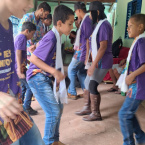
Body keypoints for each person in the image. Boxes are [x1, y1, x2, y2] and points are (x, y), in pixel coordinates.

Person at [27, 5, 74, 145]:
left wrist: (55, 74)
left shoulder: (56, 36)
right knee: (53, 111)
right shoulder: (52, 37)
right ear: (59, 23)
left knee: (58, 107)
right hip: (37, 77)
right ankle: (48, 142)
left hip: (45, 76)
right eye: (70, 24)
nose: (72, 27)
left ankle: (54, 140)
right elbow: (33, 59)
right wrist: (54, 72)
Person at [0, 0, 44, 145]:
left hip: (13, 106)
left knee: (36, 140)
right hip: (3, 112)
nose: (31, 5)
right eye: (28, 0)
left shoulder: (8, 25)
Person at [75, 1, 113, 121]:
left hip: (103, 61)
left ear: (97, 12)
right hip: (97, 61)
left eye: (91, 14)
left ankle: (96, 114)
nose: (89, 16)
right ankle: (87, 107)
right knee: (87, 83)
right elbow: (92, 44)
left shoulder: (104, 25)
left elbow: (103, 47)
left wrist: (93, 65)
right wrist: (89, 61)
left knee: (92, 85)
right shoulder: (98, 25)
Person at [17, 1, 51, 113]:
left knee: (29, 80)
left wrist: (36, 47)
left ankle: (24, 106)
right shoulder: (27, 17)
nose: (46, 16)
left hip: (33, 55)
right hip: (25, 56)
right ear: (41, 10)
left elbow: (39, 40)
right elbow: (21, 37)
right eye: (46, 14)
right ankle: (23, 106)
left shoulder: (40, 24)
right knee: (29, 81)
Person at [118, 14, 145, 145]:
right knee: (128, 113)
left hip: (138, 86)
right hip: (134, 86)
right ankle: (141, 138)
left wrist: (132, 75)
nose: (127, 29)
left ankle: (129, 143)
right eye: (127, 27)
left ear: (140, 27)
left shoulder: (141, 41)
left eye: (130, 26)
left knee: (124, 115)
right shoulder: (138, 40)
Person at [67, 2, 93, 100]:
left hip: (81, 52)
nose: (76, 14)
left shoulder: (86, 21)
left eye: (75, 12)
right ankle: (86, 91)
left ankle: (72, 92)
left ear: (78, 10)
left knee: (71, 69)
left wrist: (85, 56)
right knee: (80, 72)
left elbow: (88, 40)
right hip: (82, 51)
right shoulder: (86, 20)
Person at [14, 22, 38, 115]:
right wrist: (19, 68)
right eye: (32, 34)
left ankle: (20, 107)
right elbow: (18, 52)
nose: (31, 37)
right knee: (31, 86)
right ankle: (26, 107)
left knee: (23, 87)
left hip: (20, 66)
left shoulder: (19, 37)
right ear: (27, 31)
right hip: (19, 68)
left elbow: (21, 54)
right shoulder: (22, 37)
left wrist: (27, 62)